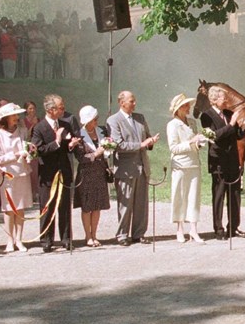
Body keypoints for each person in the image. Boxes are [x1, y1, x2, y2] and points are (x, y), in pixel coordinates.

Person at [108, 91, 158, 246]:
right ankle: (122, 234)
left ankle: (139, 233)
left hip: (142, 166)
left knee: (141, 204)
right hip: (125, 168)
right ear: (122, 103)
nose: (134, 103)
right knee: (125, 203)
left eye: (134, 100)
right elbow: (117, 144)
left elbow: (146, 136)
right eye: (131, 101)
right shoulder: (113, 120)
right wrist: (140, 145)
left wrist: (150, 142)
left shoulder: (140, 118)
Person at [31, 94, 79, 252]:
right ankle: (46, 240)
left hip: (64, 170)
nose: (63, 110)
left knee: (65, 207)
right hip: (48, 174)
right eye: (61, 108)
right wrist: (57, 142)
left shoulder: (65, 124)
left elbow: (69, 146)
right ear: (51, 110)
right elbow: (39, 150)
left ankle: (66, 238)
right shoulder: (39, 128)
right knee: (47, 207)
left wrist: (71, 144)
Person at [199, 85, 245, 240]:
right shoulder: (205, 116)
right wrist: (231, 124)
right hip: (218, 160)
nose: (226, 100)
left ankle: (233, 227)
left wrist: (243, 126)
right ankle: (218, 229)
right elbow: (214, 137)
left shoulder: (229, 113)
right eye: (222, 98)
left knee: (234, 195)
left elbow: (237, 136)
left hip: (232, 159)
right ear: (214, 99)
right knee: (219, 195)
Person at [0, 102, 32, 252]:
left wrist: (29, 153)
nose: (16, 117)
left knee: (20, 207)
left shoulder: (22, 131)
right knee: (9, 208)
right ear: (6, 118)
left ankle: (19, 239)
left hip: (22, 173)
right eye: (13, 115)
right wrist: (15, 155)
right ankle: (9, 240)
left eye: (17, 115)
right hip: (8, 175)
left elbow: (27, 149)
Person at [167, 93, 206, 243]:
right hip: (180, 166)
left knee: (194, 197)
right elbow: (174, 148)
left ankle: (194, 230)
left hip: (194, 164)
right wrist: (192, 143)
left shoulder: (192, 122)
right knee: (180, 196)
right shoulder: (172, 125)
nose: (188, 108)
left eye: (188, 105)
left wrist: (200, 142)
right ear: (177, 109)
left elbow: (195, 143)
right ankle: (179, 229)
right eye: (184, 106)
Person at [74, 105, 112, 247]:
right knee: (87, 206)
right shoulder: (79, 135)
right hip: (86, 174)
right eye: (94, 119)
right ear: (87, 121)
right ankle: (87, 236)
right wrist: (96, 154)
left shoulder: (101, 131)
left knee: (97, 206)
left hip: (100, 172)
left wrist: (108, 149)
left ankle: (95, 234)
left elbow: (109, 145)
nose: (96, 121)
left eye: (96, 119)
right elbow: (80, 157)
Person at [23, 101, 41, 202]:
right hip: (27, 148)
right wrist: (32, 126)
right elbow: (26, 136)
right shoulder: (22, 121)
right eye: (30, 108)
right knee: (30, 172)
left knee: (36, 172)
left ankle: (36, 193)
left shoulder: (39, 120)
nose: (32, 110)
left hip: (36, 148)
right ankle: (30, 194)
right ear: (26, 110)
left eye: (33, 108)